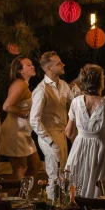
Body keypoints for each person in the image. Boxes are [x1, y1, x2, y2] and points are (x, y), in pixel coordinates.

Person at [64, 63, 105, 199]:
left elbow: (69, 133)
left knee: (78, 185)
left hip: (79, 149)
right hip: (101, 150)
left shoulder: (76, 102)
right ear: (100, 82)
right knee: (100, 188)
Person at [29, 51, 71, 200]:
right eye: (59, 63)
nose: (63, 64)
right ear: (49, 69)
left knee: (63, 175)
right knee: (54, 176)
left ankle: (61, 208)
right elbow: (34, 120)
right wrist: (50, 141)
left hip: (62, 134)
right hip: (50, 135)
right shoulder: (41, 90)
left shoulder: (64, 85)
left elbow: (74, 102)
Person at [0, 56, 42, 179]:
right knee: (20, 170)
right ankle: (14, 191)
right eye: (28, 65)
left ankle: (24, 190)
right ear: (19, 70)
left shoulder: (23, 84)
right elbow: (7, 106)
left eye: (32, 64)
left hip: (24, 132)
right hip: (15, 132)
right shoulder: (20, 85)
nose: (32, 66)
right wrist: (27, 114)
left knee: (35, 166)